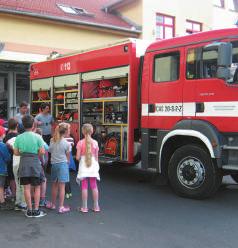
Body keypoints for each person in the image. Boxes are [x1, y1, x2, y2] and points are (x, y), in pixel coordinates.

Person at [13, 115, 46, 218]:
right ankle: (36, 210)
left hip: (24, 163)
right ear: (33, 125)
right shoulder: (38, 137)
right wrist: (36, 154)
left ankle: (29, 210)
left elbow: (16, 153)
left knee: (26, 188)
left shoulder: (19, 137)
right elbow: (42, 151)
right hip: (35, 163)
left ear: (23, 125)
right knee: (37, 187)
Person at [46, 123, 70, 214]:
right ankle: (61, 207)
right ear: (66, 132)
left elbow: (49, 151)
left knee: (54, 185)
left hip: (54, 164)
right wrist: (68, 162)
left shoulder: (52, 140)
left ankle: (53, 204)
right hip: (63, 164)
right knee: (62, 187)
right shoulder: (67, 143)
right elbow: (68, 156)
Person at [76, 123, 100, 213]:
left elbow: (77, 157)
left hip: (84, 165)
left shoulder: (80, 143)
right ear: (92, 131)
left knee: (84, 186)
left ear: (82, 132)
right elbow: (97, 157)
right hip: (93, 165)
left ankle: (84, 207)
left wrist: (80, 159)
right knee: (94, 185)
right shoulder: (95, 143)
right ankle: (96, 206)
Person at [4, 118, 26, 211]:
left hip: (9, 160)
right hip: (18, 159)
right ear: (17, 126)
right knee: (21, 182)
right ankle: (21, 201)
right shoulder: (19, 137)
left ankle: (14, 196)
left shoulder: (6, 137)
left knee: (12, 178)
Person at [35, 128, 49, 207]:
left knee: (32, 181)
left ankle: (33, 198)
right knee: (43, 180)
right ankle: (42, 199)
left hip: (32, 163)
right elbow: (47, 148)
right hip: (39, 164)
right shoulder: (41, 141)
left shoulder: (32, 140)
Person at [0, 126, 12, 210]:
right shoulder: (2, 146)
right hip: (1, 169)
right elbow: (7, 158)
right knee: (1, 187)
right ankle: (2, 202)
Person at [65, 126, 76, 199]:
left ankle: (66, 192)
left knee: (63, 177)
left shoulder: (60, 139)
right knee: (67, 176)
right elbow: (73, 146)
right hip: (70, 158)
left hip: (63, 158)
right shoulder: (71, 139)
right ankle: (69, 192)